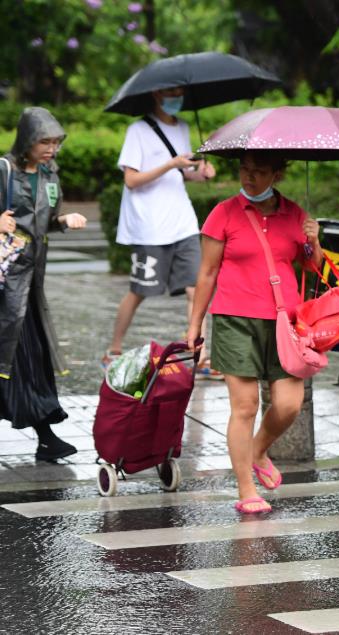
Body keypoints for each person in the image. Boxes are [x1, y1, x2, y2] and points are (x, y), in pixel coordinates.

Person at [186, 152, 322, 515]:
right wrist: (195, 325)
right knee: (244, 407)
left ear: (277, 174)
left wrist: (314, 240)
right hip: (235, 319)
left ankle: (259, 449)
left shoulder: (294, 214)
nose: (249, 177)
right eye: (245, 170)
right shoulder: (223, 213)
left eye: (259, 172)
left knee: (288, 404)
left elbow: (312, 267)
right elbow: (207, 273)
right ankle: (246, 488)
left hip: (285, 321)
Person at [106, 86, 218, 374]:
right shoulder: (138, 131)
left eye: (181, 91)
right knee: (139, 291)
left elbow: (181, 174)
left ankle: (199, 354)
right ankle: (114, 348)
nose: (176, 97)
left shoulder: (182, 127)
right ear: (156, 93)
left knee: (197, 289)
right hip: (149, 226)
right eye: (171, 92)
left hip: (182, 221)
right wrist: (171, 164)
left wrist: (199, 173)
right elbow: (131, 180)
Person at [0, 107, 88, 461]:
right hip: (5, 280)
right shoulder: (4, 169)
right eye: (44, 141)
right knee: (12, 354)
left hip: (31, 282)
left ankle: (46, 436)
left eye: (56, 142)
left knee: (30, 357)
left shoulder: (51, 175)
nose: (51, 148)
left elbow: (43, 223)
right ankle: (46, 435)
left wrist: (63, 220)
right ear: (27, 140)